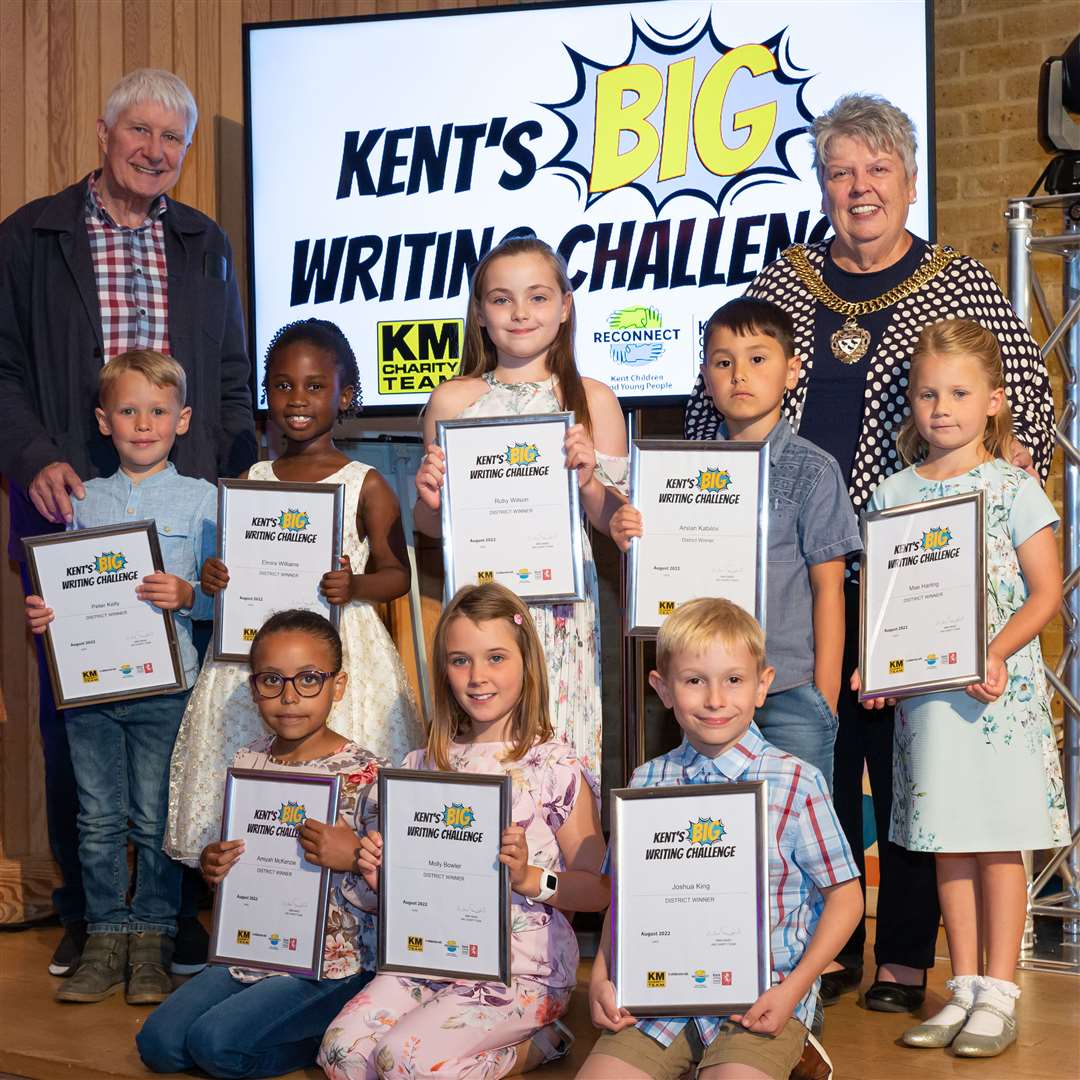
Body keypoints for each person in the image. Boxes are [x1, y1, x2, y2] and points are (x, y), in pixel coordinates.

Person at [684, 92, 1056, 1011]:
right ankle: (820, 943)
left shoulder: (959, 281)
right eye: (840, 171)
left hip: (915, 571)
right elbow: (713, 405)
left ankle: (903, 959)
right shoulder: (783, 279)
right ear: (820, 182)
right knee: (815, 765)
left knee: (915, 771)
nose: (859, 188)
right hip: (790, 573)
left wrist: (1012, 459)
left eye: (877, 170)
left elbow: (1027, 404)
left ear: (910, 179)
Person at [0, 67, 257, 976]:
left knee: (186, 718)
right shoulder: (30, 236)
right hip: (71, 508)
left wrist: (231, 487)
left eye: (172, 140)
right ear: (105, 135)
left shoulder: (203, 241)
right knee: (81, 714)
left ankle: (169, 910)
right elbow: (0, 370)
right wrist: (35, 458)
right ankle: (89, 909)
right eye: (140, 132)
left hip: (185, 514)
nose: (155, 151)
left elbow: (231, 375)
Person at [858, 320, 1068, 1058]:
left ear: (994, 401)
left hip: (994, 697)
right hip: (928, 706)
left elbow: (1046, 594)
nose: (941, 407)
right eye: (927, 393)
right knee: (946, 842)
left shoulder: (1014, 486)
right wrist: (874, 662)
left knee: (994, 841)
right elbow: (884, 599)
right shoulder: (891, 491)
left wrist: (995, 650)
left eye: (959, 392)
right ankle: (965, 988)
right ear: (910, 401)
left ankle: (1002, 991)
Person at [318, 583, 608, 1080]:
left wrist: (532, 879)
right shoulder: (420, 766)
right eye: (460, 661)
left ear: (527, 662)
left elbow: (599, 889)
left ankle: (538, 1043)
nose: (478, 677)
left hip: (520, 973)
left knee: (405, 1060)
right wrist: (377, 872)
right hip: (424, 960)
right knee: (344, 1054)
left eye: (496, 657)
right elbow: (398, 894)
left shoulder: (552, 767)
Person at [166, 319, 422, 867]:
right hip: (254, 649)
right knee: (253, 785)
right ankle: (258, 898)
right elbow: (234, 566)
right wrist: (217, 576)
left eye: (313, 386)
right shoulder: (252, 479)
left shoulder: (365, 482)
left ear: (345, 395)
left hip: (340, 642)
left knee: (348, 795)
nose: (297, 399)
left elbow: (396, 573)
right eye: (282, 386)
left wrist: (355, 584)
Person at [579, 598, 863, 1080]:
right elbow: (624, 899)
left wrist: (794, 990)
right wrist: (603, 977)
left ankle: (798, 1047)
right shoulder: (648, 781)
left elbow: (846, 899)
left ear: (762, 685)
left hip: (762, 1000)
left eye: (733, 679)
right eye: (694, 681)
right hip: (658, 1000)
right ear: (662, 689)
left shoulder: (797, 781)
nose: (715, 699)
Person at [23, 350, 216, 1005]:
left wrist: (190, 596)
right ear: (104, 421)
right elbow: (66, 589)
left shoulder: (205, 501)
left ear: (182, 419)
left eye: (158, 411)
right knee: (99, 820)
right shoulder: (83, 502)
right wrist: (47, 612)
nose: (143, 423)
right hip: (93, 696)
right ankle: (105, 937)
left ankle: (153, 942)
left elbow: (231, 597)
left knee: (154, 818)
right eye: (128, 410)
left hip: (169, 688)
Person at [611, 298, 860, 790]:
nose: (739, 375)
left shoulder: (815, 470)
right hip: (705, 694)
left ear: (792, 372)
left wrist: (825, 699)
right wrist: (633, 536)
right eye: (724, 362)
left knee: (795, 830)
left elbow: (829, 589)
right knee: (712, 834)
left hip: (790, 691)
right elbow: (667, 568)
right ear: (706, 377)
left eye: (757, 359)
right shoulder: (676, 473)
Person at [414, 236, 628, 781]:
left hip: (561, 611)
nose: (520, 313)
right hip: (481, 614)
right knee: (485, 757)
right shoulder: (453, 400)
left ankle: (568, 866)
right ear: (480, 313)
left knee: (563, 748)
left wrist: (587, 480)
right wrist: (430, 500)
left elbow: (612, 522)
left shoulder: (592, 398)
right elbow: (431, 527)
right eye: (502, 299)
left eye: (536, 297)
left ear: (564, 305)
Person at [138, 609, 384, 1078]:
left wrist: (354, 858)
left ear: (339, 685)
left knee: (216, 1045)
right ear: (254, 688)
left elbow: (388, 897)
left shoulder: (366, 775)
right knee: (161, 1045)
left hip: (327, 966)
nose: (289, 697)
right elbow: (239, 858)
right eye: (272, 680)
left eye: (309, 679)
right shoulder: (248, 760)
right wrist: (216, 863)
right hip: (252, 953)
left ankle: (328, 1036)